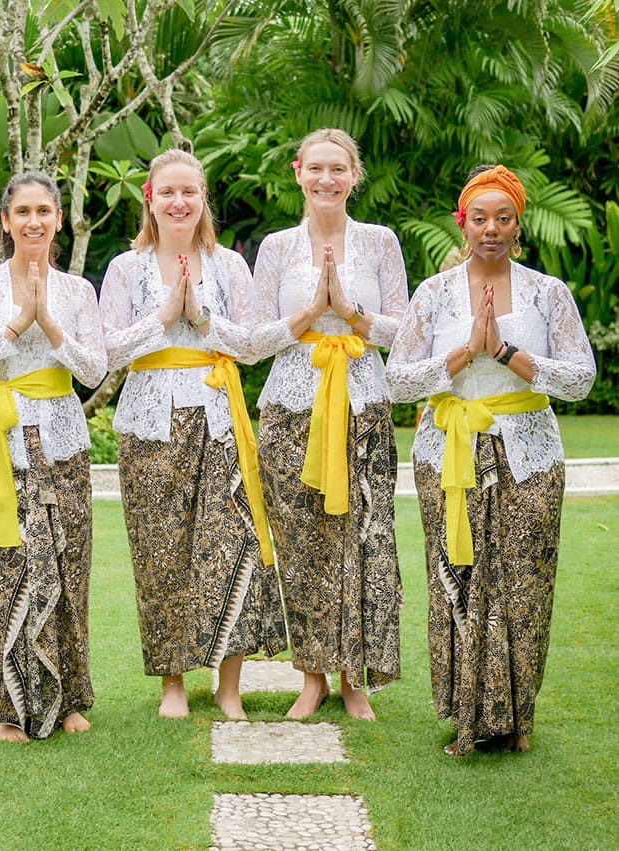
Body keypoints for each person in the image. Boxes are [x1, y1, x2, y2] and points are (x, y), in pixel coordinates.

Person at [385, 164, 596, 755]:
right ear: (464, 223)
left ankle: (516, 716)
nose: (492, 229)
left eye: (503, 218)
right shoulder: (434, 294)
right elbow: (397, 380)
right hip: (449, 452)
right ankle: (468, 719)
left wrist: (508, 353)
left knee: (524, 583)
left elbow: (581, 379)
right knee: (461, 578)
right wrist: (461, 355)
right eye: (480, 218)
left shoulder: (547, 293)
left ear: (518, 225)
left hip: (530, 454)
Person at [98, 148, 286, 720]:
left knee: (233, 548)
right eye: (167, 193)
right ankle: (173, 683)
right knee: (161, 552)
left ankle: (229, 687)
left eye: (190, 192)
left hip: (218, 419)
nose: (178, 202)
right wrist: (163, 318)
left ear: (203, 199)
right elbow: (104, 351)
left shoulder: (228, 264)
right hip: (147, 423)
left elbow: (254, 345)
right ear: (149, 201)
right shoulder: (125, 269)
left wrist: (201, 318)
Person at [251, 128, 409, 720]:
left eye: (337, 170)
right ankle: (313, 675)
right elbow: (250, 339)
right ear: (297, 172)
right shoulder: (274, 248)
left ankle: (355, 678)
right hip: (291, 408)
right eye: (315, 168)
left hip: (364, 406)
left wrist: (350, 314)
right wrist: (308, 315)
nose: (326, 180)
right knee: (303, 544)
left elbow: (408, 332)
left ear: (353, 177)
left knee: (364, 539)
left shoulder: (379, 243)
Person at [0, 171, 107, 741]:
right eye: (23, 212)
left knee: (67, 566)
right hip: (2, 439)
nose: (34, 221)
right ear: (7, 222)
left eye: (45, 211)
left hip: (63, 436)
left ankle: (68, 700)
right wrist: (18, 325)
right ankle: (8, 705)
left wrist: (51, 326)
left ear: (59, 219)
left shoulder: (77, 291)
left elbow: (94, 370)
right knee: (8, 567)